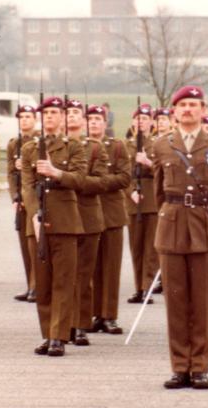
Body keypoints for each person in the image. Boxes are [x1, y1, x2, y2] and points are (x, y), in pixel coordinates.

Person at [152, 85, 208, 389]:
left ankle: (200, 366)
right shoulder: (162, 145)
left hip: (205, 227)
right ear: (174, 111)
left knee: (203, 301)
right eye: (183, 105)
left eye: (194, 104)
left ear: (204, 110)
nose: (188, 109)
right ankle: (179, 367)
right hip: (172, 227)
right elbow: (158, 192)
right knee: (175, 302)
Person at [21, 96, 87, 357]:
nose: (49, 117)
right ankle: (47, 333)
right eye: (45, 112)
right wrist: (34, 213)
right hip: (38, 222)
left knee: (63, 280)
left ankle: (59, 336)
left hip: (65, 220)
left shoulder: (73, 147)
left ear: (62, 117)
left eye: (54, 112)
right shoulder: (28, 149)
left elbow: (81, 179)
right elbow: (27, 185)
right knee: (43, 282)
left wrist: (56, 172)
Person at [64, 99, 110, 347]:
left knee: (83, 274)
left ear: (83, 120)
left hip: (87, 215)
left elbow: (100, 182)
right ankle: (62, 324)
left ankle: (80, 323)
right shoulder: (53, 147)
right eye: (67, 113)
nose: (71, 117)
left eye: (75, 113)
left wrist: (70, 180)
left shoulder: (94, 148)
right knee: (62, 275)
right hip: (61, 216)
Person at [87, 104, 132, 335]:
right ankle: (93, 314)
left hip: (112, 212)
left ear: (106, 123)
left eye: (98, 119)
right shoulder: (80, 147)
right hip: (87, 213)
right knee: (91, 267)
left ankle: (109, 315)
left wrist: (100, 183)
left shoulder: (117, 147)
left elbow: (125, 177)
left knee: (111, 266)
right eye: (91, 119)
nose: (94, 123)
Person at [125, 104, 160, 304]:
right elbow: (123, 173)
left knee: (151, 247)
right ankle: (138, 287)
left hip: (152, 199)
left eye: (145, 118)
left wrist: (148, 162)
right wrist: (131, 192)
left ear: (151, 122)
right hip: (134, 200)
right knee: (136, 246)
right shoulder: (126, 145)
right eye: (138, 118)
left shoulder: (157, 144)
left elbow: (164, 172)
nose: (141, 122)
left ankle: (148, 286)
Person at [7, 105, 38, 302]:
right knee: (25, 245)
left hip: (34, 197)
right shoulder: (14, 144)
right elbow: (11, 173)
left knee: (35, 244)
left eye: (28, 117)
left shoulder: (38, 142)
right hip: (22, 199)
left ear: (35, 119)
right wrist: (15, 197)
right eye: (21, 117)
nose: (24, 120)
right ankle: (30, 284)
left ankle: (37, 285)